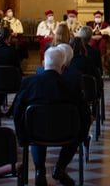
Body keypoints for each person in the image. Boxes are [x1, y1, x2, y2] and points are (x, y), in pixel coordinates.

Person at [13, 48, 90, 186]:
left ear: (43, 63)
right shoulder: (71, 85)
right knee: (75, 133)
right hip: (67, 133)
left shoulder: (29, 83)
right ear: (63, 67)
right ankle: (60, 167)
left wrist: (21, 136)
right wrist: (82, 136)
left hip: (35, 132)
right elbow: (85, 113)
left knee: (35, 126)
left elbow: (17, 110)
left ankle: (40, 170)